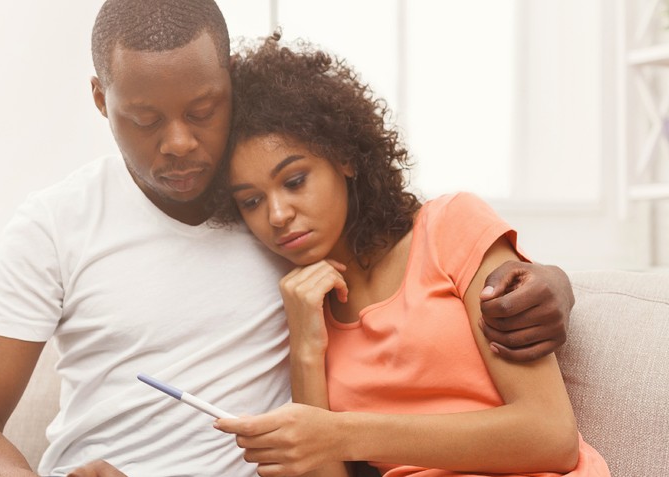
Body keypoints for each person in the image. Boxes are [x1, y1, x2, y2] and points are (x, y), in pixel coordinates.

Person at [0, 2, 578, 476]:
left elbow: (413, 244)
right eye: (144, 119)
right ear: (101, 99)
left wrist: (551, 281)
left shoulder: (284, 226)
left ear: (229, 86)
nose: (179, 144)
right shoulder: (57, 224)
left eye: (203, 111)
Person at [211, 35, 610, 477]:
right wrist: (305, 346)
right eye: (251, 202)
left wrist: (342, 432)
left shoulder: (450, 227)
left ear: (345, 158)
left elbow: (549, 437)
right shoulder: (305, 305)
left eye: (294, 180)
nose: (278, 215)